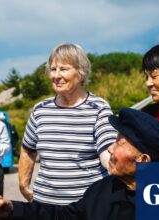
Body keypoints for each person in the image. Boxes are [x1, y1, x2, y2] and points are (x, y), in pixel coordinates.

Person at [0, 107, 159, 220]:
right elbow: (65, 216)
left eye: (119, 143)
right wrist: (13, 209)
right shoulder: (102, 189)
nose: (110, 149)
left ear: (142, 160)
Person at [19, 43, 117, 205]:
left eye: (63, 69)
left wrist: (117, 166)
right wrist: (23, 185)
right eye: (53, 69)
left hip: (86, 207)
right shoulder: (40, 109)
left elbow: (107, 150)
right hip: (44, 206)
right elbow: (28, 149)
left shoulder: (98, 108)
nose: (56, 75)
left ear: (81, 72)